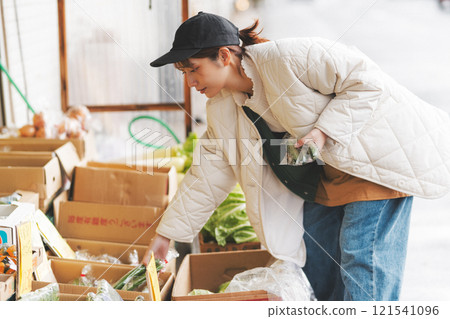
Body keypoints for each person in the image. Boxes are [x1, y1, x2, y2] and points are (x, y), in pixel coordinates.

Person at [143, 12, 450, 301]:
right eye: (184, 73)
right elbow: (207, 174)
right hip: (327, 174)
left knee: (362, 258)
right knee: (317, 263)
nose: (190, 82)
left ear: (224, 55)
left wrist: (323, 131)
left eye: (194, 69)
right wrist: (166, 236)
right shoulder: (222, 107)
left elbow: (367, 81)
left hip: (375, 157)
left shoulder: (289, 58)